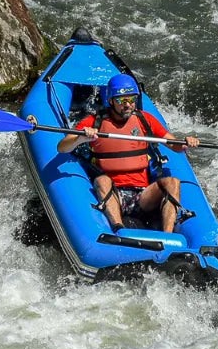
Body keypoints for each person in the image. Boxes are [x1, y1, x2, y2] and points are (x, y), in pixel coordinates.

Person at [57, 74, 199, 233]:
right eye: (122, 100)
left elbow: (174, 145)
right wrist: (81, 138)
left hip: (143, 195)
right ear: (111, 101)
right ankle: (119, 229)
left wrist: (186, 143)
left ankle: (168, 236)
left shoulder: (145, 119)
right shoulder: (95, 121)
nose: (128, 105)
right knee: (102, 181)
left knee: (173, 181)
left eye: (131, 99)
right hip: (114, 194)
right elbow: (63, 147)